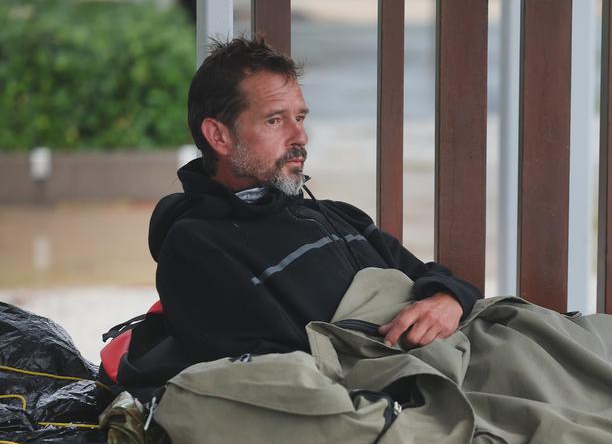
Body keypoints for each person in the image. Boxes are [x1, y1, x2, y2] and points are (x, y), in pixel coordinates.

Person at [149, 37, 482, 363]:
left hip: (444, 369)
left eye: (301, 118)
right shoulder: (198, 244)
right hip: (383, 399)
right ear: (219, 136)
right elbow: (268, 377)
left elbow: (431, 275)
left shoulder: (340, 216)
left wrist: (446, 300)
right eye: (275, 120)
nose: (300, 137)